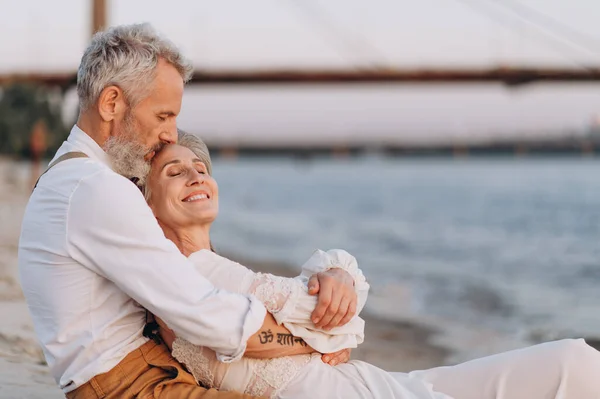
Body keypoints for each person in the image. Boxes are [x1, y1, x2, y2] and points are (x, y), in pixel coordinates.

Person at [18, 23, 356, 399]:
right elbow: (204, 313)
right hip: (134, 387)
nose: (171, 135)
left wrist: (335, 275)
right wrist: (314, 340)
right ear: (111, 103)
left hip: (144, 374)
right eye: (164, 115)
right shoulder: (95, 188)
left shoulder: (76, 175)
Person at [141, 132, 600, 399]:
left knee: (573, 363)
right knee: (574, 368)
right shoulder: (187, 275)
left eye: (201, 166)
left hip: (374, 384)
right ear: (146, 203)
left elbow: (331, 317)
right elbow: (336, 330)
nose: (196, 175)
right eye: (174, 171)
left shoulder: (213, 269)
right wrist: (333, 316)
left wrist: (336, 278)